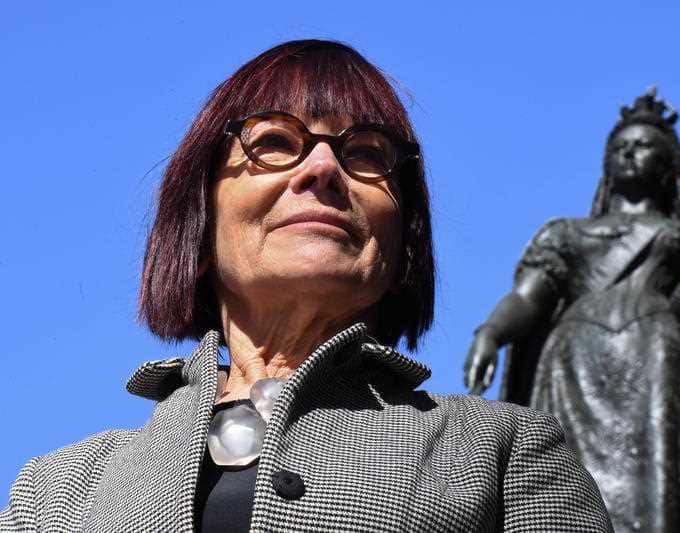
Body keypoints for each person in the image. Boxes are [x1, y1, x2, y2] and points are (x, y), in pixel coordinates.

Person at [0, 40, 611, 532]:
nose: (322, 168)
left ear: (402, 248)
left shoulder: (502, 455)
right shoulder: (57, 493)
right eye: (274, 142)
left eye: (367, 153)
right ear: (200, 221)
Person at [464, 88, 680, 532]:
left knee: (651, 493)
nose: (629, 152)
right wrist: (491, 331)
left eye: (643, 145)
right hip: (573, 367)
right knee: (563, 487)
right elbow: (530, 295)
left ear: (668, 165)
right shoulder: (566, 233)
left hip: (657, 368)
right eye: (619, 146)